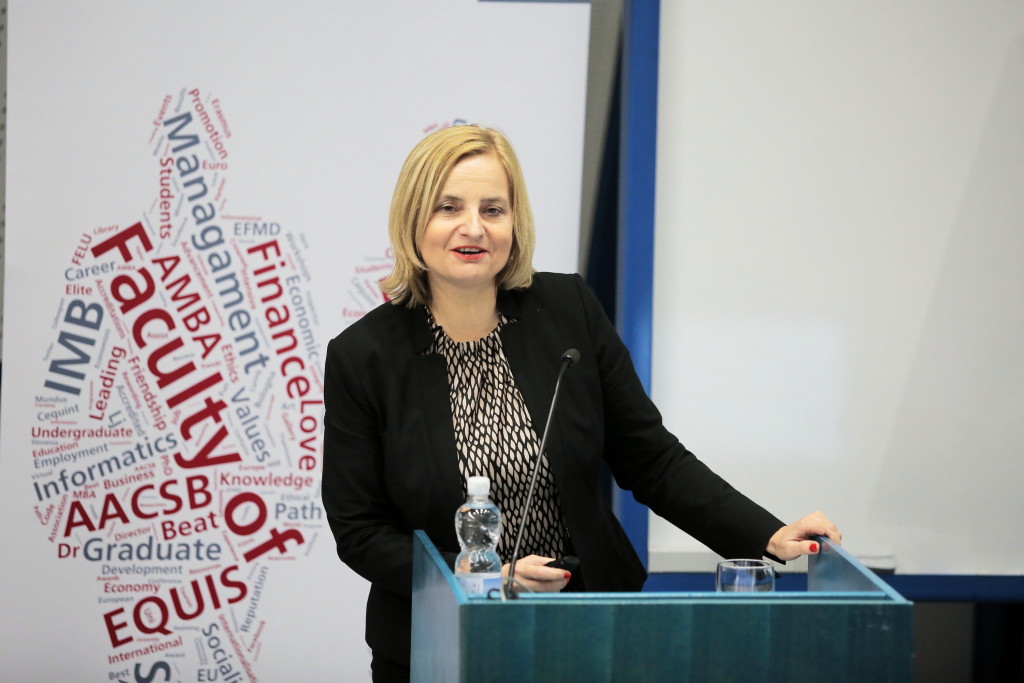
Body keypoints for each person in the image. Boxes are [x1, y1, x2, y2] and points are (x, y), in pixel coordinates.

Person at [321, 125, 841, 681]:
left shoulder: (567, 308)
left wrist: (765, 534)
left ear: (515, 222)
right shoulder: (363, 356)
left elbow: (652, 458)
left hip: (585, 629)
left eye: (493, 209)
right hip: (438, 644)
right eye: (448, 207)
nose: (473, 228)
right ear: (412, 218)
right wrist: (484, 576)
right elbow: (361, 531)